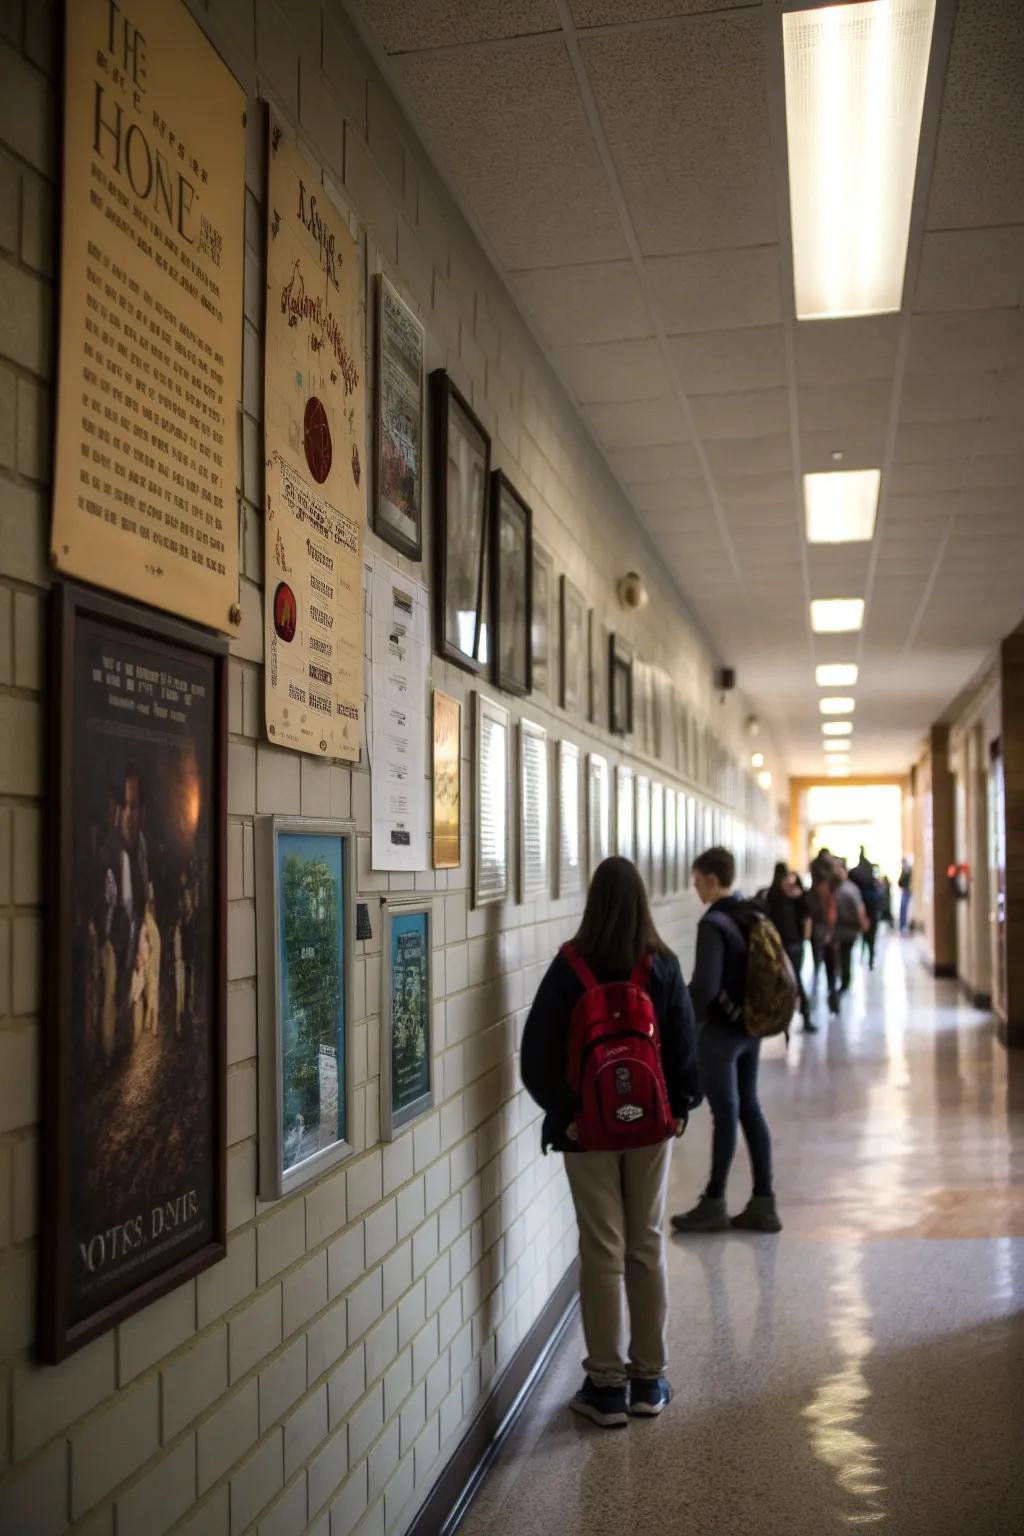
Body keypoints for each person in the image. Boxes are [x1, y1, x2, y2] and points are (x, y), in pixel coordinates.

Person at [521, 857, 700, 1428]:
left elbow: (534, 1058)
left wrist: (568, 1116)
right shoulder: (664, 965)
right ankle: (649, 1380)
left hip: (588, 1133)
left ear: (593, 901)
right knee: (645, 1241)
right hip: (650, 1129)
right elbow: (684, 1049)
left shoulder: (570, 969)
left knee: (601, 1248)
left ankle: (605, 1388)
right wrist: (679, 1112)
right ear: (644, 901)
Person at [671, 846, 781, 1236]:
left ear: (712, 879)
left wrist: (678, 1009)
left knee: (726, 1113)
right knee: (748, 1106)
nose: (696, 889)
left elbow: (705, 988)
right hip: (750, 1028)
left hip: (721, 1033)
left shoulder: (713, 923)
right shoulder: (749, 911)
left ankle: (714, 1202)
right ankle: (764, 1201)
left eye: (698, 881)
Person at [765, 862, 812, 1026]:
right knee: (793, 979)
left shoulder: (775, 894)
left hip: (784, 944)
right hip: (789, 943)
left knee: (789, 980)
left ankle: (789, 1017)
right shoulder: (784, 894)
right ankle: (801, 1015)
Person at [807, 855, 840, 1017]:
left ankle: (831, 1001)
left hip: (823, 934)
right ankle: (827, 1001)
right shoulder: (822, 893)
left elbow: (830, 915)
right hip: (822, 934)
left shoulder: (823, 894)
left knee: (827, 968)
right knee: (824, 966)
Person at [834, 865, 868, 993]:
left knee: (844, 954)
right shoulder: (848, 888)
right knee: (844, 955)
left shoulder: (848, 889)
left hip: (847, 929)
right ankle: (844, 979)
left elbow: (859, 910)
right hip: (842, 928)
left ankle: (844, 979)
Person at [898, 856, 913, 933]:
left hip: (907, 891)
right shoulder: (905, 870)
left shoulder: (907, 870)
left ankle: (903, 926)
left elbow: (901, 881)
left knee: (905, 909)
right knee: (903, 909)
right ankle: (902, 926)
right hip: (905, 891)